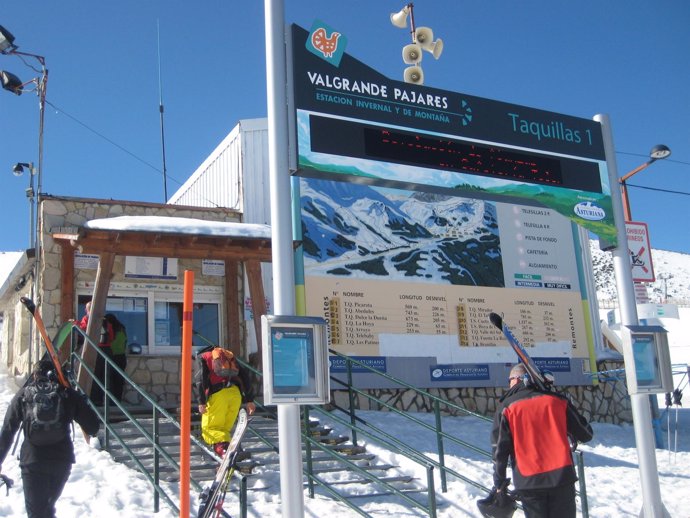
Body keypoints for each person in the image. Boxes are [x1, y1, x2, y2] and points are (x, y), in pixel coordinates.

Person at [486, 363, 593, 518]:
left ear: (516, 379)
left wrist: (499, 482)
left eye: (509, 380)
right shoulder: (558, 401)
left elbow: (499, 449)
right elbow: (586, 434)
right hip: (561, 477)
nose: (508, 384)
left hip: (528, 480)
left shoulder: (507, 407)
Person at [0, 360, 100, 518]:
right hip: (61, 462)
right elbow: (93, 427)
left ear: (34, 375)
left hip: (32, 462)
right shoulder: (66, 393)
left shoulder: (24, 394)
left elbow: (8, 429)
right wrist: (80, 400)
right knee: (47, 509)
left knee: (38, 513)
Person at [194, 346, 255, 457]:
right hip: (236, 395)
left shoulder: (202, 357)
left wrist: (201, 402)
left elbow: (200, 379)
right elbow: (245, 376)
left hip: (219, 396)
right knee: (223, 430)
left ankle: (224, 452)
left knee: (210, 429)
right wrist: (250, 400)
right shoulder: (228, 357)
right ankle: (232, 452)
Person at [78, 301, 114, 405]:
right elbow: (111, 337)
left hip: (95, 349)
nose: (85, 310)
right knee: (106, 376)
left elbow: (83, 329)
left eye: (86, 309)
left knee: (94, 376)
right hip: (107, 351)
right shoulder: (105, 321)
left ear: (88, 310)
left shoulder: (86, 319)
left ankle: (96, 400)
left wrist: (75, 323)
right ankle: (109, 402)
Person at [104, 313, 128, 402]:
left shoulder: (111, 329)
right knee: (119, 380)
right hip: (122, 357)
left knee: (111, 380)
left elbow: (111, 343)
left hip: (113, 356)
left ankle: (111, 401)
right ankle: (118, 400)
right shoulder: (122, 328)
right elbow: (125, 342)